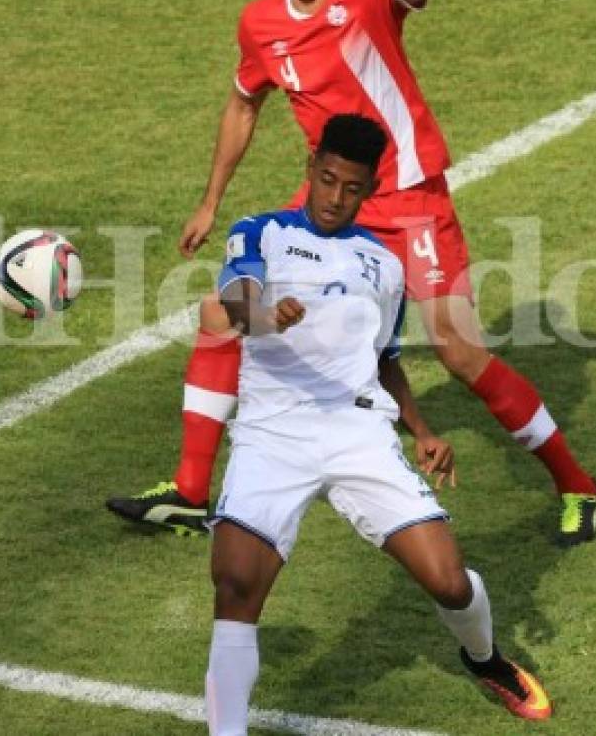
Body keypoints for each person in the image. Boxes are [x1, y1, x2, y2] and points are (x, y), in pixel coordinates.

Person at [107, 0, 596, 545]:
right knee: (222, 311)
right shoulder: (261, 24)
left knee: (458, 351)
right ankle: (191, 489)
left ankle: (578, 484)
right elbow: (243, 104)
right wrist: (211, 200)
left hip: (409, 195)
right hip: (331, 203)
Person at [204, 114, 552, 731]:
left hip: (357, 433)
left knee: (448, 583)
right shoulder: (260, 232)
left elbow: (383, 357)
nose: (336, 198)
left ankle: (486, 659)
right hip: (272, 433)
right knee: (235, 587)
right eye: (328, 180)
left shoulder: (382, 264)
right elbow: (236, 301)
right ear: (311, 169)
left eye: (352, 188)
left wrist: (421, 431)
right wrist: (267, 318)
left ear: (369, 190)